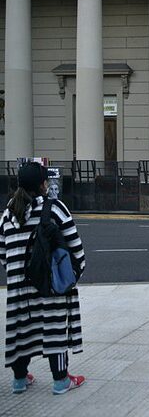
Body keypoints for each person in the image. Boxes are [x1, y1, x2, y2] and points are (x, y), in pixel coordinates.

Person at [0, 162, 86, 395]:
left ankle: (19, 380)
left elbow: (2, 254)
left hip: (18, 287)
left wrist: (19, 272)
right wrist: (71, 276)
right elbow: (75, 248)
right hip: (50, 284)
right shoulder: (55, 208)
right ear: (42, 184)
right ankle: (61, 381)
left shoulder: (8, 214)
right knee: (53, 327)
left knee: (22, 330)